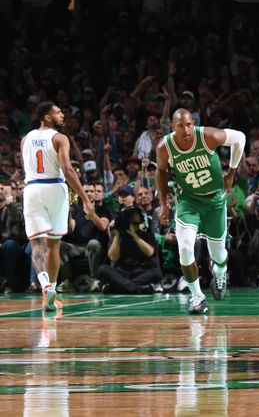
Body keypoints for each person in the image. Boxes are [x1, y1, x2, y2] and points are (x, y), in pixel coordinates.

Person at [155, 109, 245, 315]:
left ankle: (220, 271)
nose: (185, 129)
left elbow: (240, 138)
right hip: (189, 199)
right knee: (185, 248)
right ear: (172, 127)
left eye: (188, 124)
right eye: (180, 126)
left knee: (218, 255)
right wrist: (163, 204)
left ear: (193, 123)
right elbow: (160, 171)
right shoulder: (164, 147)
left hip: (215, 200)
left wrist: (231, 171)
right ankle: (197, 297)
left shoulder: (207, 136)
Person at [21, 102, 94, 311]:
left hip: (33, 188)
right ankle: (51, 289)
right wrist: (85, 200)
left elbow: (28, 169)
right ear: (46, 117)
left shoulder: (24, 139)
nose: (62, 115)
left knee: (36, 245)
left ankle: (45, 285)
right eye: (58, 112)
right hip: (56, 188)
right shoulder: (60, 138)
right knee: (53, 245)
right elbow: (67, 170)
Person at [97, 205, 162, 293]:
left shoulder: (147, 234)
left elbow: (150, 252)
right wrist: (117, 234)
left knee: (157, 273)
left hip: (141, 272)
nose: (132, 218)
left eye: (135, 214)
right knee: (102, 269)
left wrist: (134, 235)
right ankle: (137, 289)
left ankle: (118, 287)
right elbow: (113, 257)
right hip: (122, 273)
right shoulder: (117, 236)